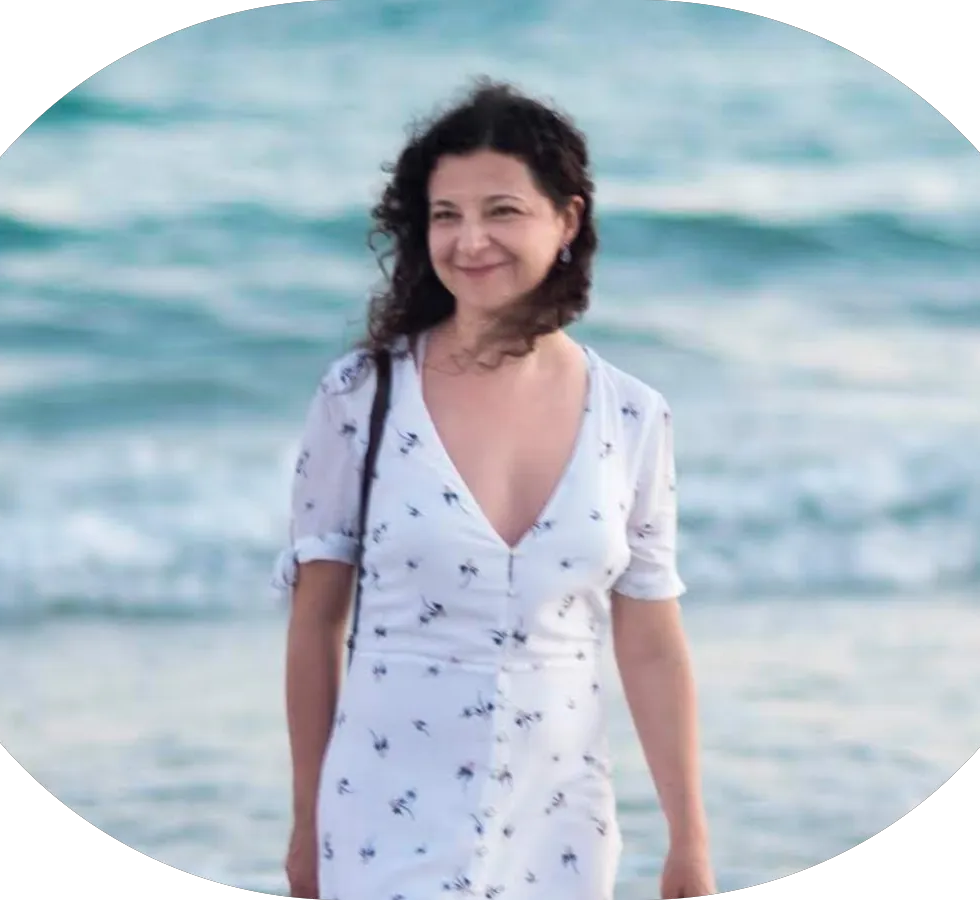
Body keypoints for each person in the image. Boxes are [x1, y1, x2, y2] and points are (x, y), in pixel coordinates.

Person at [276, 77, 715, 900]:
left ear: (568, 219)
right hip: (380, 818)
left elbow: (652, 642)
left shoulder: (632, 415)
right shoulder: (359, 396)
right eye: (446, 215)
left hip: (562, 825)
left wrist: (689, 839)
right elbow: (316, 622)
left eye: (502, 210)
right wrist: (308, 825)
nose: (470, 240)